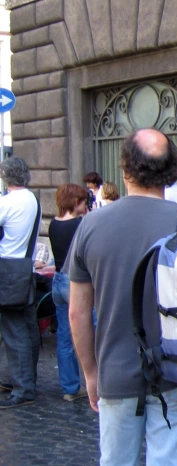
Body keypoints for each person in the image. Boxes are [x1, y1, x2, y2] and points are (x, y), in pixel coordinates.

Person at [67, 129, 177, 466]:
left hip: (115, 372)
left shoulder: (90, 225)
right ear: (173, 170)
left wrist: (90, 374)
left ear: (124, 170)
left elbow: (77, 314)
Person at [0, 157, 41, 409]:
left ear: (6, 177)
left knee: (14, 332)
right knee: (28, 328)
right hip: (25, 267)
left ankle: (23, 387)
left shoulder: (7, 202)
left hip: (7, 269)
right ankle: (28, 381)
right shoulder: (32, 199)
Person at [48, 184, 89, 402]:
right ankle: (99, 382)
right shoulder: (80, 224)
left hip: (57, 281)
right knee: (95, 330)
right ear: (76, 202)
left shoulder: (54, 224)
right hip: (75, 283)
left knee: (64, 336)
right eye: (83, 201)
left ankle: (70, 388)